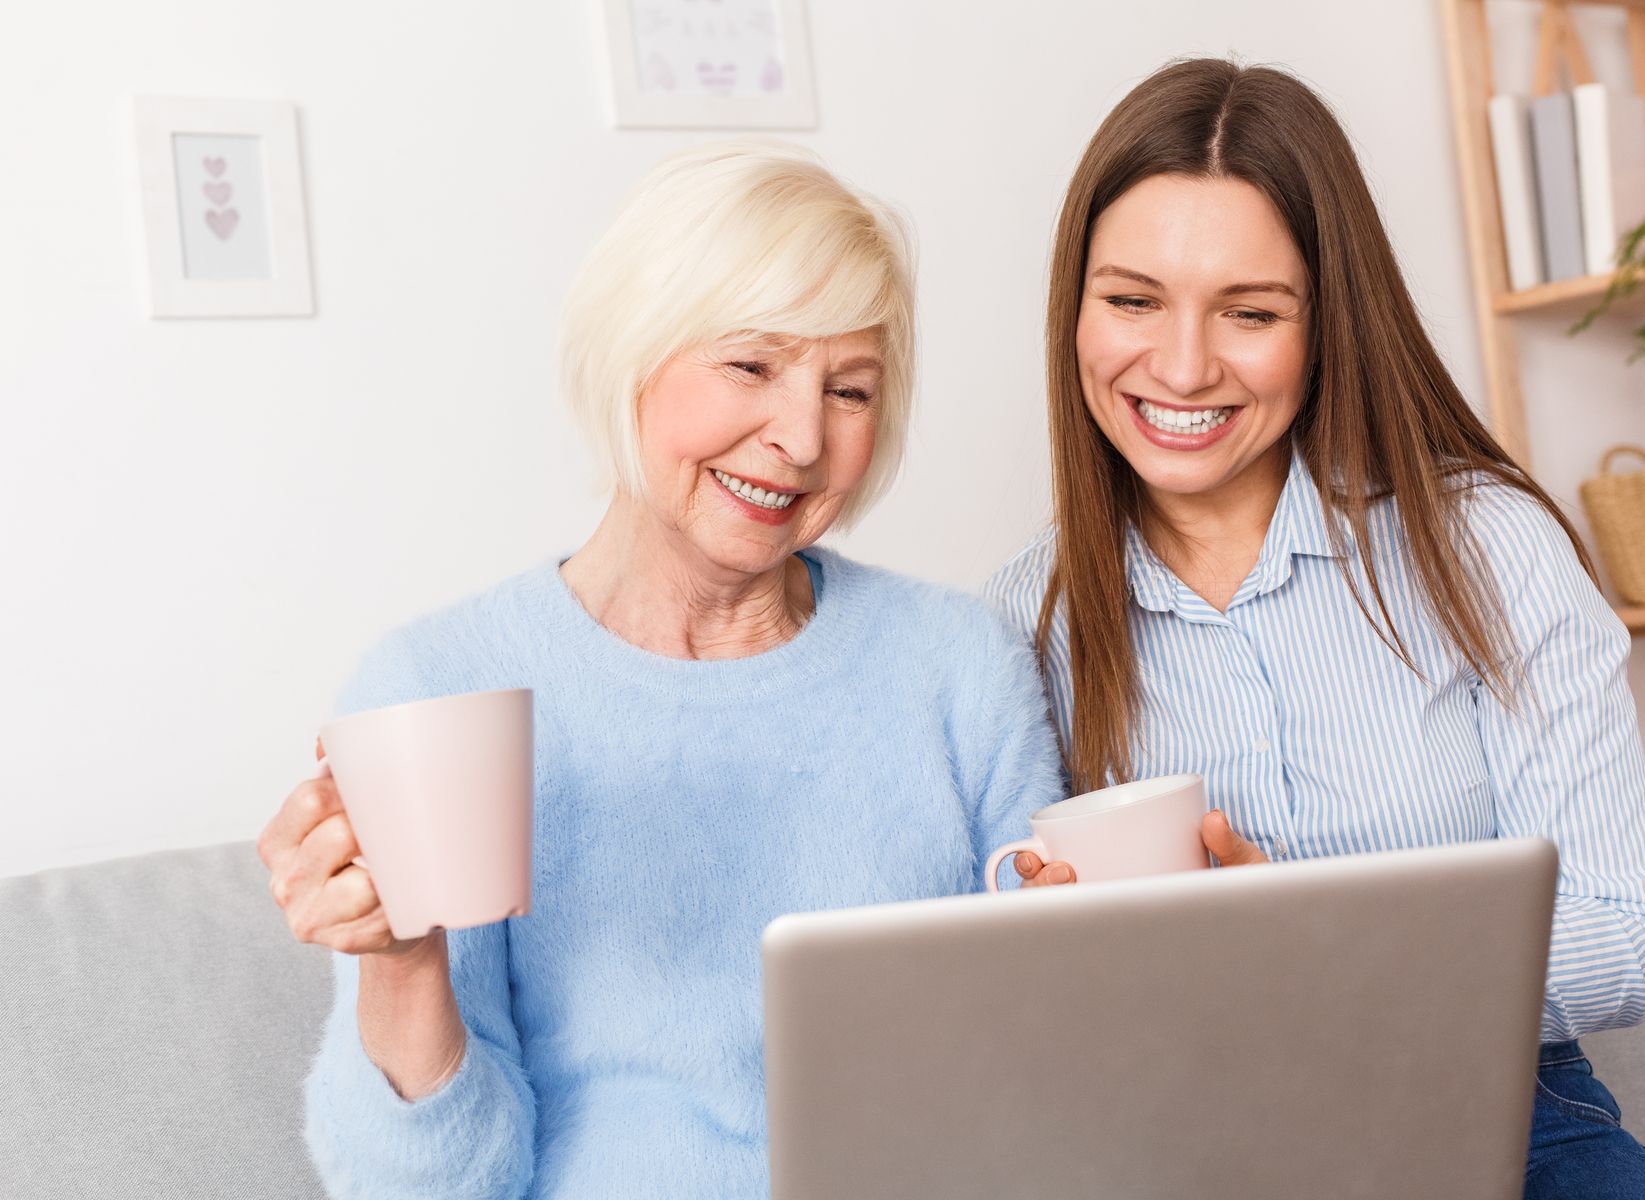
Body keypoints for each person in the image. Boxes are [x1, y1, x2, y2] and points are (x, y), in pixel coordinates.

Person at [258, 142, 1063, 1198]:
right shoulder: (438, 686)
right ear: (632, 354)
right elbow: (431, 1190)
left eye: (851, 390)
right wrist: (402, 966)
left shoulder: (958, 668)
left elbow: (1060, 1088)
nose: (802, 437)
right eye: (752, 366)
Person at [984, 59, 1645, 1199]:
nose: (1179, 366)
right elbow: (986, 985)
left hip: (1501, 1114)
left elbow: (1626, 933)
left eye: (1251, 313)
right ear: (1074, 304)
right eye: (1131, 300)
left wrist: (1324, 957)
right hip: (1178, 1139)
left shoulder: (1487, 550)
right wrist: (1048, 948)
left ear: (1327, 324)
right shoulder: (1023, 622)